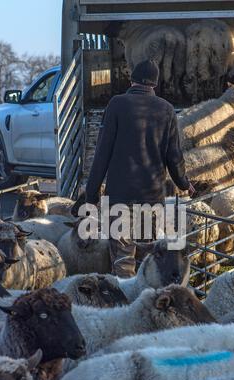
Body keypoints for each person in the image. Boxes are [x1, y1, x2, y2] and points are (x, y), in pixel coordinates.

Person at [86, 59, 194, 278]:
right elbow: (174, 156)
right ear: (154, 84)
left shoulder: (116, 104)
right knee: (146, 257)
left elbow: (102, 153)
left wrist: (91, 194)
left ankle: (125, 306)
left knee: (123, 258)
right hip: (151, 198)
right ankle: (143, 302)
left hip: (119, 198)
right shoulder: (167, 109)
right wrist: (185, 183)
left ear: (132, 78)